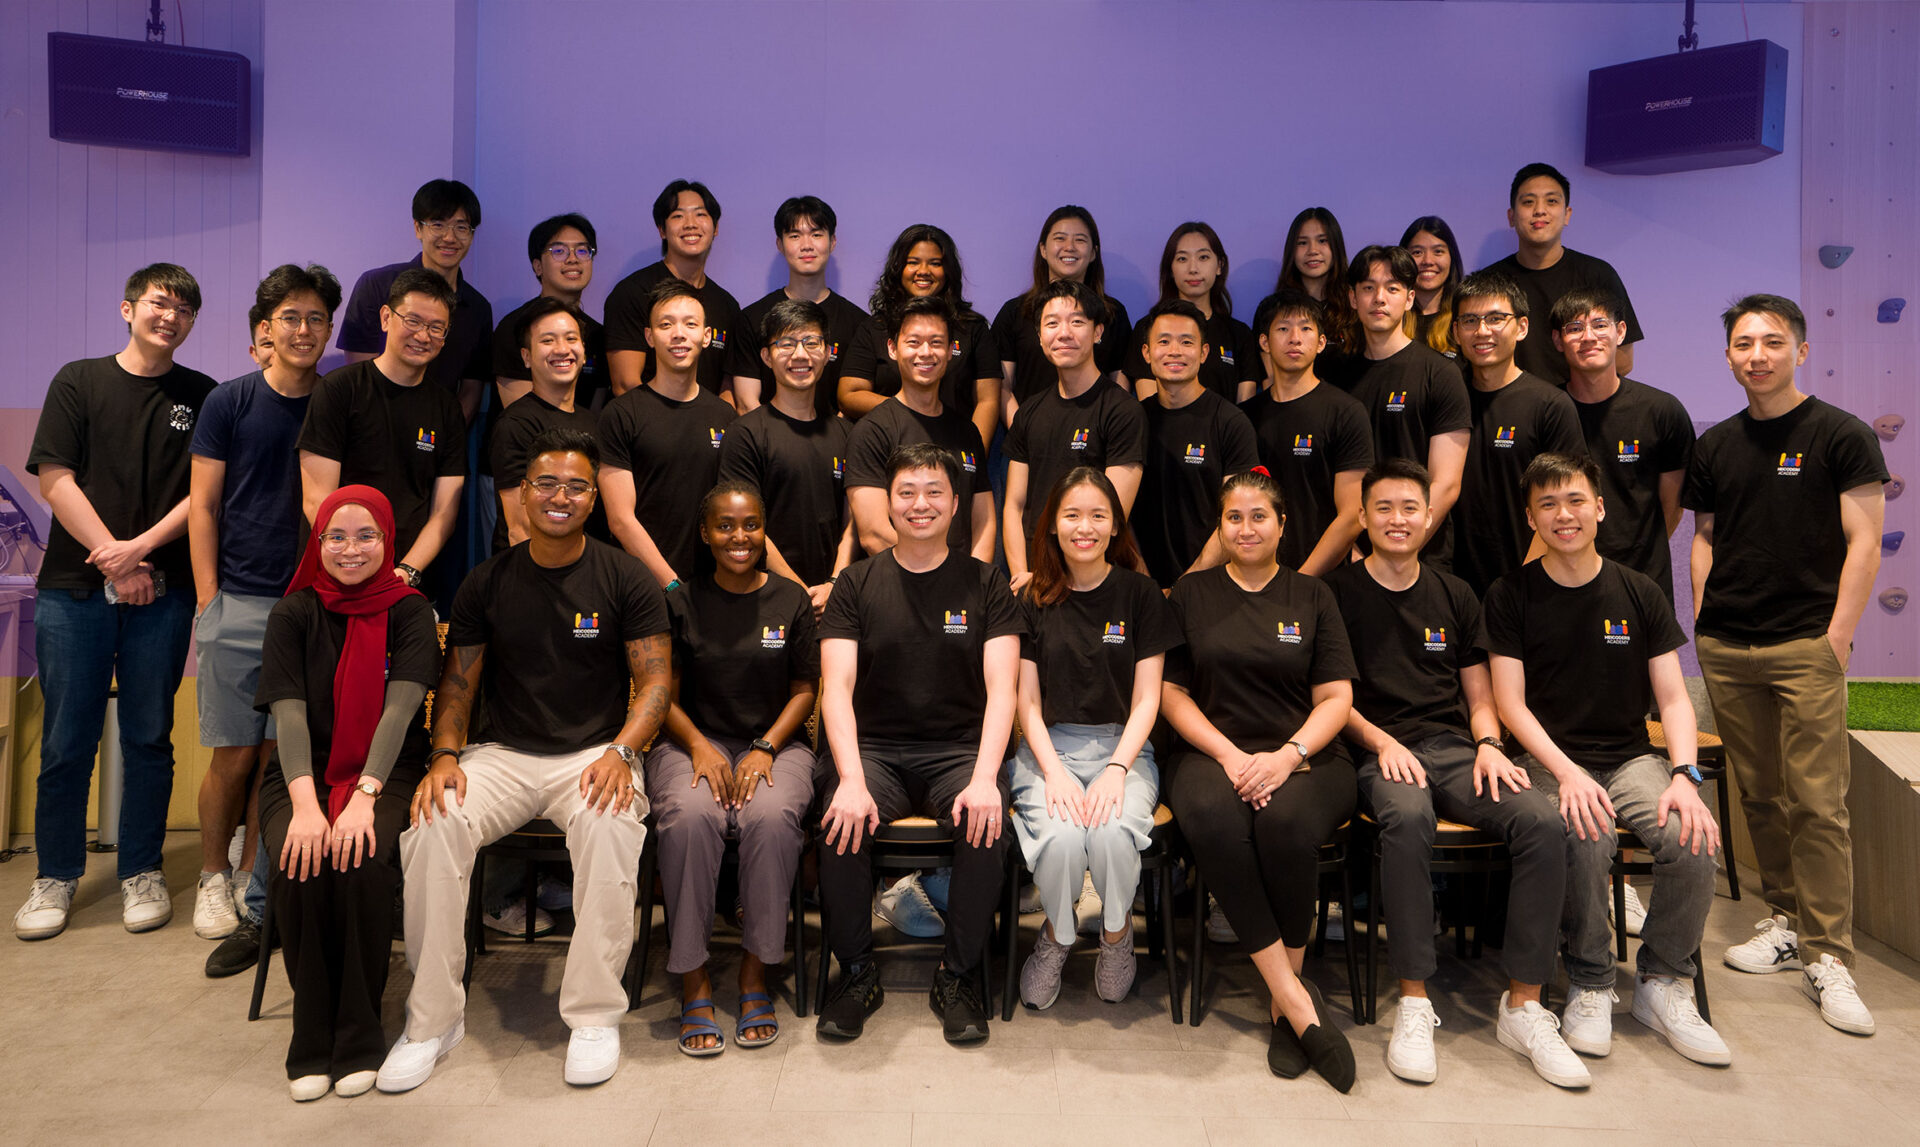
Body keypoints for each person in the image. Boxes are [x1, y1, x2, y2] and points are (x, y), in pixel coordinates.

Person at [378, 428, 671, 1092]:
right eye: (546, 483)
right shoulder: (487, 581)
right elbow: (457, 685)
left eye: (575, 485)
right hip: (499, 754)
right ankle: (432, 1021)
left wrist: (624, 752)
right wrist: (445, 755)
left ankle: (594, 1016)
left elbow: (655, 683)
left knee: (610, 823)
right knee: (432, 822)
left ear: (593, 498)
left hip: (594, 752)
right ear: (521, 494)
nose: (560, 496)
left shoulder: (625, 576)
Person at [1327, 460, 1575, 1088]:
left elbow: (1478, 690)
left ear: (1429, 516)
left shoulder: (1456, 593)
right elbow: (1332, 699)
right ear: (1362, 518)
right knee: (1407, 819)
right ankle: (1415, 999)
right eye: (1383, 508)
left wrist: (1490, 743)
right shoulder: (1335, 594)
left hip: (1455, 748)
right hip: (1375, 749)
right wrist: (1381, 743)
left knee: (1541, 822)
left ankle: (1523, 1004)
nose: (1397, 519)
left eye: (1410, 507)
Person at [1485, 452, 1731, 1069]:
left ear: (1598, 507)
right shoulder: (1510, 594)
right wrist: (1565, 773)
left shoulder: (1638, 590)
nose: (1563, 515)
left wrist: (1683, 774)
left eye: (1574, 501)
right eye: (1547, 504)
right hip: (1548, 760)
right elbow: (1510, 707)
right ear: (1531, 518)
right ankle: (1592, 982)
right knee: (1585, 834)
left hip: (1628, 759)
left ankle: (1662, 982)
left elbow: (1673, 698)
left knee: (1692, 836)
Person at [1688, 294, 1888, 1036]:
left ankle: (1830, 953)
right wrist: (1706, 613)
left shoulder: (1842, 433)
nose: (1758, 354)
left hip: (1807, 642)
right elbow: (1705, 535)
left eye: (1773, 341)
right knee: (1761, 795)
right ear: (1730, 356)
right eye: (1744, 343)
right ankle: (1784, 920)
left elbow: (1864, 542)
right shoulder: (1716, 445)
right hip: (1729, 644)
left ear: (1800, 350)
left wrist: (1837, 636)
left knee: (1818, 801)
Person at [15, 263, 215, 941]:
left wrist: (141, 553)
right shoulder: (79, 380)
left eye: (186, 308)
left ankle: (142, 869)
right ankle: (56, 875)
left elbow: (202, 495)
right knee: (68, 741)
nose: (173, 315)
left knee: (148, 738)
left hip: (162, 591)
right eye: (161, 302)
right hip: (74, 591)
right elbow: (54, 477)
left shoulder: (202, 394)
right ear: (128, 308)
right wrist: (112, 554)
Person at [813, 443, 1023, 1044]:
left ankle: (956, 976)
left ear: (956, 504)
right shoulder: (855, 585)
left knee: (986, 821)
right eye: (906, 492)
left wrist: (986, 777)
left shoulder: (987, 585)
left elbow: (1002, 690)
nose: (920, 504)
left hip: (957, 752)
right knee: (839, 819)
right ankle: (856, 974)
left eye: (934, 491)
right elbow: (836, 688)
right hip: (874, 749)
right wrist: (851, 779)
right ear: (888, 504)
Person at [1160, 469, 1357, 1091]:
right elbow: (1170, 692)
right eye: (1233, 518)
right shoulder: (1190, 595)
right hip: (1211, 752)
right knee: (1215, 820)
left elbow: (1336, 697)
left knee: (1287, 823)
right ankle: (1295, 1002)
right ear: (1219, 526)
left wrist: (1286, 755)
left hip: (1307, 756)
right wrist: (1230, 757)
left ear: (1282, 523)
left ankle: (1283, 1001)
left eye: (1259, 517)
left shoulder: (1312, 596)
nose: (1246, 528)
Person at [255, 486, 438, 1101]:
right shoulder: (293, 613)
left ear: (388, 541)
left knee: (360, 859)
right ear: (319, 541)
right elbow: (289, 717)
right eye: (337, 535)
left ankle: (360, 1034)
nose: (351, 549)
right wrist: (307, 808)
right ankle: (312, 1036)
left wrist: (363, 797)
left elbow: (403, 706)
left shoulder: (410, 611)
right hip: (300, 773)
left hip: (387, 773)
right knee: (298, 859)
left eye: (367, 536)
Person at [188, 264, 341, 964]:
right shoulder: (230, 401)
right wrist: (207, 599)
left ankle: (260, 893)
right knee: (234, 754)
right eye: (291, 317)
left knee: (284, 760)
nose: (304, 330)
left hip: (308, 605)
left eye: (316, 319)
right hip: (239, 601)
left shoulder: (335, 403)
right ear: (264, 329)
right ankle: (211, 876)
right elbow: (204, 506)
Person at [647, 481, 819, 1055]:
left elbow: (804, 689)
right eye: (725, 525)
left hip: (775, 744)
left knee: (771, 817)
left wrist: (767, 746)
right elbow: (656, 691)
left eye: (750, 525)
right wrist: (697, 743)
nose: (738, 537)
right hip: (689, 742)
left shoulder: (791, 601)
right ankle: (692, 978)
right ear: (705, 533)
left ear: (764, 530)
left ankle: (754, 974)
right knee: (690, 815)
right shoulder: (679, 601)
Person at [1010, 468, 1177, 1008]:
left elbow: (1149, 697)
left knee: (1108, 834)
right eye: (1072, 515)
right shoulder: (1033, 596)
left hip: (1121, 748)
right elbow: (1026, 701)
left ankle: (1114, 934)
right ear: (1053, 526)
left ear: (1114, 526)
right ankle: (1058, 934)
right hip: (1046, 747)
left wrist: (1117, 768)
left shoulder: (1142, 594)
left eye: (1098, 516)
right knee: (1059, 839)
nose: (1085, 527)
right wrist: (1053, 770)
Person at [297, 268, 468, 600]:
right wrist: (357, 562)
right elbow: (317, 499)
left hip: (406, 585)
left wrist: (406, 573)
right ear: (386, 317)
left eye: (436, 327)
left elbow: (444, 512)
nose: (423, 335)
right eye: (413, 321)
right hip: (337, 579)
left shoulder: (446, 408)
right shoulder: (339, 389)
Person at [1004, 280, 1147, 591]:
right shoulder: (1028, 412)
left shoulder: (1122, 411)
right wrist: (1022, 575)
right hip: (1035, 581)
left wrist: (1065, 581)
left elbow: (1113, 515)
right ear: (1040, 335)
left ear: (1097, 333)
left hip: (1093, 583)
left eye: (1077, 321)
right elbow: (1015, 505)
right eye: (1052, 323)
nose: (1064, 333)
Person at [1553, 288, 1694, 599]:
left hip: (1643, 581)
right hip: (1563, 581)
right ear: (1557, 341)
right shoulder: (1546, 410)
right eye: (1575, 328)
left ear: (1620, 332)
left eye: (1600, 325)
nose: (1588, 337)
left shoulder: (1662, 411)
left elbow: (1671, 508)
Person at [1450, 271, 1585, 596]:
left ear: (1521, 327)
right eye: (1469, 320)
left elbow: (1565, 505)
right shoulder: (1445, 398)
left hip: (1530, 585)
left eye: (1496, 318)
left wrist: (1524, 583)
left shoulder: (1549, 405)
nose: (1482, 331)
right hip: (1451, 587)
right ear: (1455, 331)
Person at [598, 279, 738, 589]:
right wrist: (672, 586)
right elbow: (620, 520)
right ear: (649, 336)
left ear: (706, 337)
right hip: (639, 586)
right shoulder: (622, 414)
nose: (678, 334)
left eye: (690, 324)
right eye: (665, 324)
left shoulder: (725, 416)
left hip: (710, 588)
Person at [717, 298, 854, 612]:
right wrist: (799, 592)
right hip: (764, 601)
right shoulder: (746, 433)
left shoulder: (847, 434)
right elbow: (745, 525)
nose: (800, 354)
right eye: (787, 344)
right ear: (766, 356)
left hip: (834, 600)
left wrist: (835, 583)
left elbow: (854, 521)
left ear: (828, 352)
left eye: (811, 342)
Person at [1334, 255, 1469, 569]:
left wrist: (1397, 551)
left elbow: (1446, 485)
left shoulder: (1440, 374)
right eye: (1368, 287)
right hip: (1352, 558)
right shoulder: (1336, 377)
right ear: (1353, 298)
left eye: (1392, 288)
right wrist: (1355, 550)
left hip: (1422, 557)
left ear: (1409, 298)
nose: (1379, 298)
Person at [844, 297, 995, 562]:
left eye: (936, 342)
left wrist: (974, 581)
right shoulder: (872, 431)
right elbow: (874, 534)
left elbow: (983, 522)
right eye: (913, 342)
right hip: (899, 592)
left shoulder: (967, 432)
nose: (925, 352)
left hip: (965, 592)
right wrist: (941, 574)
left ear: (950, 350)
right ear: (892, 348)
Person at [335, 179, 493, 423]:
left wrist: (447, 437)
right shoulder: (375, 286)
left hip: (440, 436)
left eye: (461, 227)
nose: (449, 237)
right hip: (374, 427)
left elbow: (472, 388)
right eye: (438, 224)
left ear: (472, 235)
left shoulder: (478, 308)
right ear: (418, 228)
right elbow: (359, 374)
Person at [1242, 289, 1371, 575]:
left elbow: (1352, 515)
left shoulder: (1346, 411)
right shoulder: (1244, 417)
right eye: (1283, 329)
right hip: (1254, 575)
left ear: (1322, 342)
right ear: (1264, 341)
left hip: (1325, 576)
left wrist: (1302, 580)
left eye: (1306, 329)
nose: (1295, 338)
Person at [1133, 300, 1260, 587]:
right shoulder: (1133, 421)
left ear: (1204, 353)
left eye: (1186, 342)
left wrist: (1186, 586)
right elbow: (1117, 511)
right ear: (1147, 353)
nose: (1175, 351)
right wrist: (1143, 580)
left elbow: (1238, 514)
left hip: (1212, 587)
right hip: (1142, 588)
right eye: (1163, 341)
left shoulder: (1230, 422)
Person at [838, 223, 1001, 446]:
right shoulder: (874, 327)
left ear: (948, 271)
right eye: (912, 262)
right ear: (898, 269)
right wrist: (912, 412)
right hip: (890, 443)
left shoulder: (972, 327)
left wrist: (973, 457)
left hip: (954, 447)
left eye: (935, 263)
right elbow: (850, 394)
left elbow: (988, 400)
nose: (923, 271)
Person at [1481, 163, 1643, 385]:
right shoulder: (1490, 282)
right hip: (1513, 409)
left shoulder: (1598, 275)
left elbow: (1623, 361)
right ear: (1511, 216)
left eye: (1552, 201)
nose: (1539, 210)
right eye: (1528, 202)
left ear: (1567, 214)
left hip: (1580, 409)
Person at [727, 195, 870, 415]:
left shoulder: (858, 323)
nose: (806, 245)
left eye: (816, 235)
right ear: (780, 244)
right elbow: (747, 403)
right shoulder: (752, 318)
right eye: (795, 236)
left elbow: (852, 401)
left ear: (832, 242)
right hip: (767, 444)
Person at [992, 206, 1135, 425]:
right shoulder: (1015, 311)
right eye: (1060, 238)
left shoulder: (1112, 312)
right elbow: (1002, 387)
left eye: (1080, 240)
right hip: (1028, 435)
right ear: (1043, 249)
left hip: (1094, 434)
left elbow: (1119, 383)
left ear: (1094, 252)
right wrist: (1025, 434)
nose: (1069, 248)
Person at [603, 179, 741, 403]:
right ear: (662, 230)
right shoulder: (633, 292)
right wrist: (675, 427)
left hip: (707, 431)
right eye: (678, 216)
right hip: (647, 430)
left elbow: (728, 386)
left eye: (700, 215)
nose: (690, 224)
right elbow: (625, 384)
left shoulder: (727, 305)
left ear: (715, 228)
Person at [489, 297, 602, 552]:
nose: (562, 349)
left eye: (571, 339)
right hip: (534, 575)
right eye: (548, 341)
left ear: (584, 351)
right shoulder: (515, 424)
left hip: (585, 567)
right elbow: (519, 528)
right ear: (526, 357)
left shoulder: (594, 422)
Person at [1126, 222, 1264, 403]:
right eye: (1182, 259)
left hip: (1226, 431)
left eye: (1203, 257)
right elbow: (1149, 407)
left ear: (1219, 265)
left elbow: (1244, 410)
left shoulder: (1239, 334)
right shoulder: (1147, 328)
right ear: (1171, 269)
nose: (1193, 269)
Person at [491, 213, 608, 413]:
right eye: (559, 251)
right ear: (538, 266)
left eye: (582, 251)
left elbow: (596, 413)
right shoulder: (515, 327)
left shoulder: (598, 334)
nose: (573, 259)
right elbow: (521, 416)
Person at [1271, 207, 1358, 376]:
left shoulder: (1355, 305)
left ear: (1336, 246)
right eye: (1302, 243)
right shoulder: (1275, 308)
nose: (1313, 250)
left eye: (1322, 241)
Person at [1400, 216, 1463, 355]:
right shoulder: (1391, 319)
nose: (1428, 261)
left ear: (1452, 258)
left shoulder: (1465, 318)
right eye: (1417, 252)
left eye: (1438, 251)